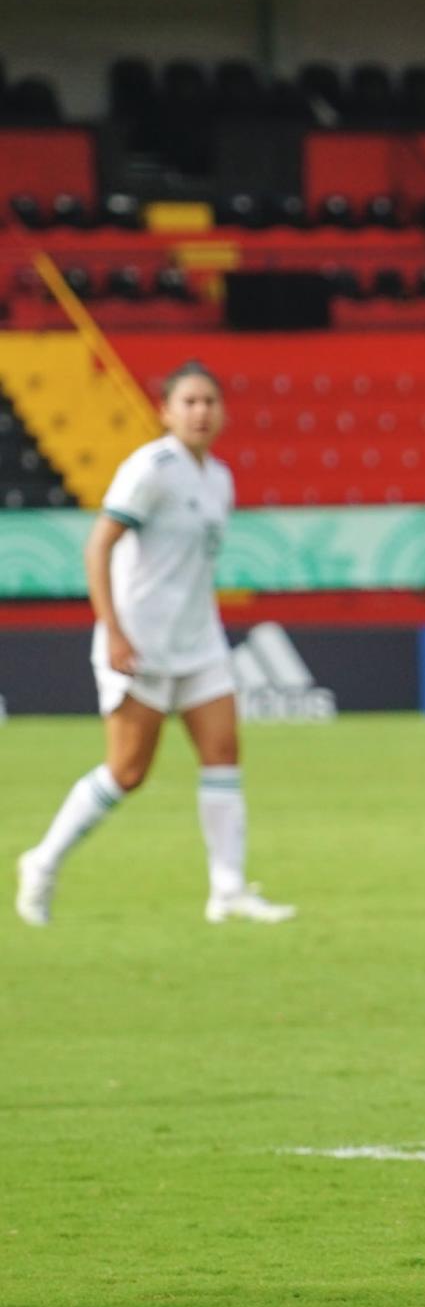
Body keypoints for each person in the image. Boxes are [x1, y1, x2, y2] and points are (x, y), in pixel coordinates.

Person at [16, 362, 294, 927]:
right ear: (165, 411)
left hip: (199, 641)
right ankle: (42, 862)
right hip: (140, 640)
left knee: (223, 754)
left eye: (209, 402)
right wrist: (114, 630)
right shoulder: (150, 469)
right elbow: (99, 547)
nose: (201, 412)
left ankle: (228, 890)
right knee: (127, 772)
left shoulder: (218, 477)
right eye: (189, 402)